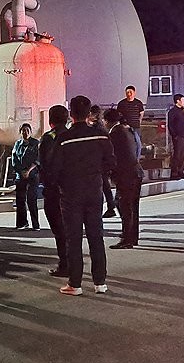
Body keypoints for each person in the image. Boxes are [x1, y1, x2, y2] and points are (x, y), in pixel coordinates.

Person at [47, 95, 115, 295]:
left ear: (71, 113)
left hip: (71, 194)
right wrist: (96, 174)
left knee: (74, 238)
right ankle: (100, 282)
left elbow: (53, 170)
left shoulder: (64, 138)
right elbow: (111, 162)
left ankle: (75, 284)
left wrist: (62, 184)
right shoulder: (101, 135)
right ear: (88, 113)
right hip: (94, 191)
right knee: (96, 236)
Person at [38, 104, 71, 277]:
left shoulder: (49, 138)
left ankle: (64, 264)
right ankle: (73, 262)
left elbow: (45, 165)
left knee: (59, 230)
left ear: (50, 120)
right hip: (73, 190)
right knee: (70, 229)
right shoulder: (72, 135)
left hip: (54, 191)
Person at [103, 108, 142, 249]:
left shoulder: (115, 133)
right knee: (132, 206)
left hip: (126, 175)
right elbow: (138, 148)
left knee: (124, 206)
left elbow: (112, 156)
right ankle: (132, 236)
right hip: (136, 171)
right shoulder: (128, 130)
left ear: (107, 121)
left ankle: (127, 238)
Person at [88, 105, 118, 218]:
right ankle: (111, 206)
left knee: (101, 186)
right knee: (105, 185)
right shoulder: (102, 128)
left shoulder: (95, 129)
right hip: (104, 161)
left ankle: (109, 207)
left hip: (99, 161)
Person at [10, 123, 41, 230]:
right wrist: (20, 171)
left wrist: (28, 170)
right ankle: (22, 223)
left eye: (27, 130)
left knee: (32, 199)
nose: (25, 133)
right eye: (23, 130)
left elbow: (38, 159)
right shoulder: (17, 144)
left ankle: (35, 224)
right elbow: (14, 160)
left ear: (31, 132)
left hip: (32, 175)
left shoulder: (35, 143)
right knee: (20, 200)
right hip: (20, 175)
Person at [167, 94, 184, 180]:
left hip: (183, 136)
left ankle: (180, 171)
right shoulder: (173, 112)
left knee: (182, 154)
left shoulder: (181, 111)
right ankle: (174, 172)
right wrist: (174, 135)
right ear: (178, 101)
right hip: (178, 136)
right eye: (183, 100)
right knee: (177, 154)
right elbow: (170, 124)